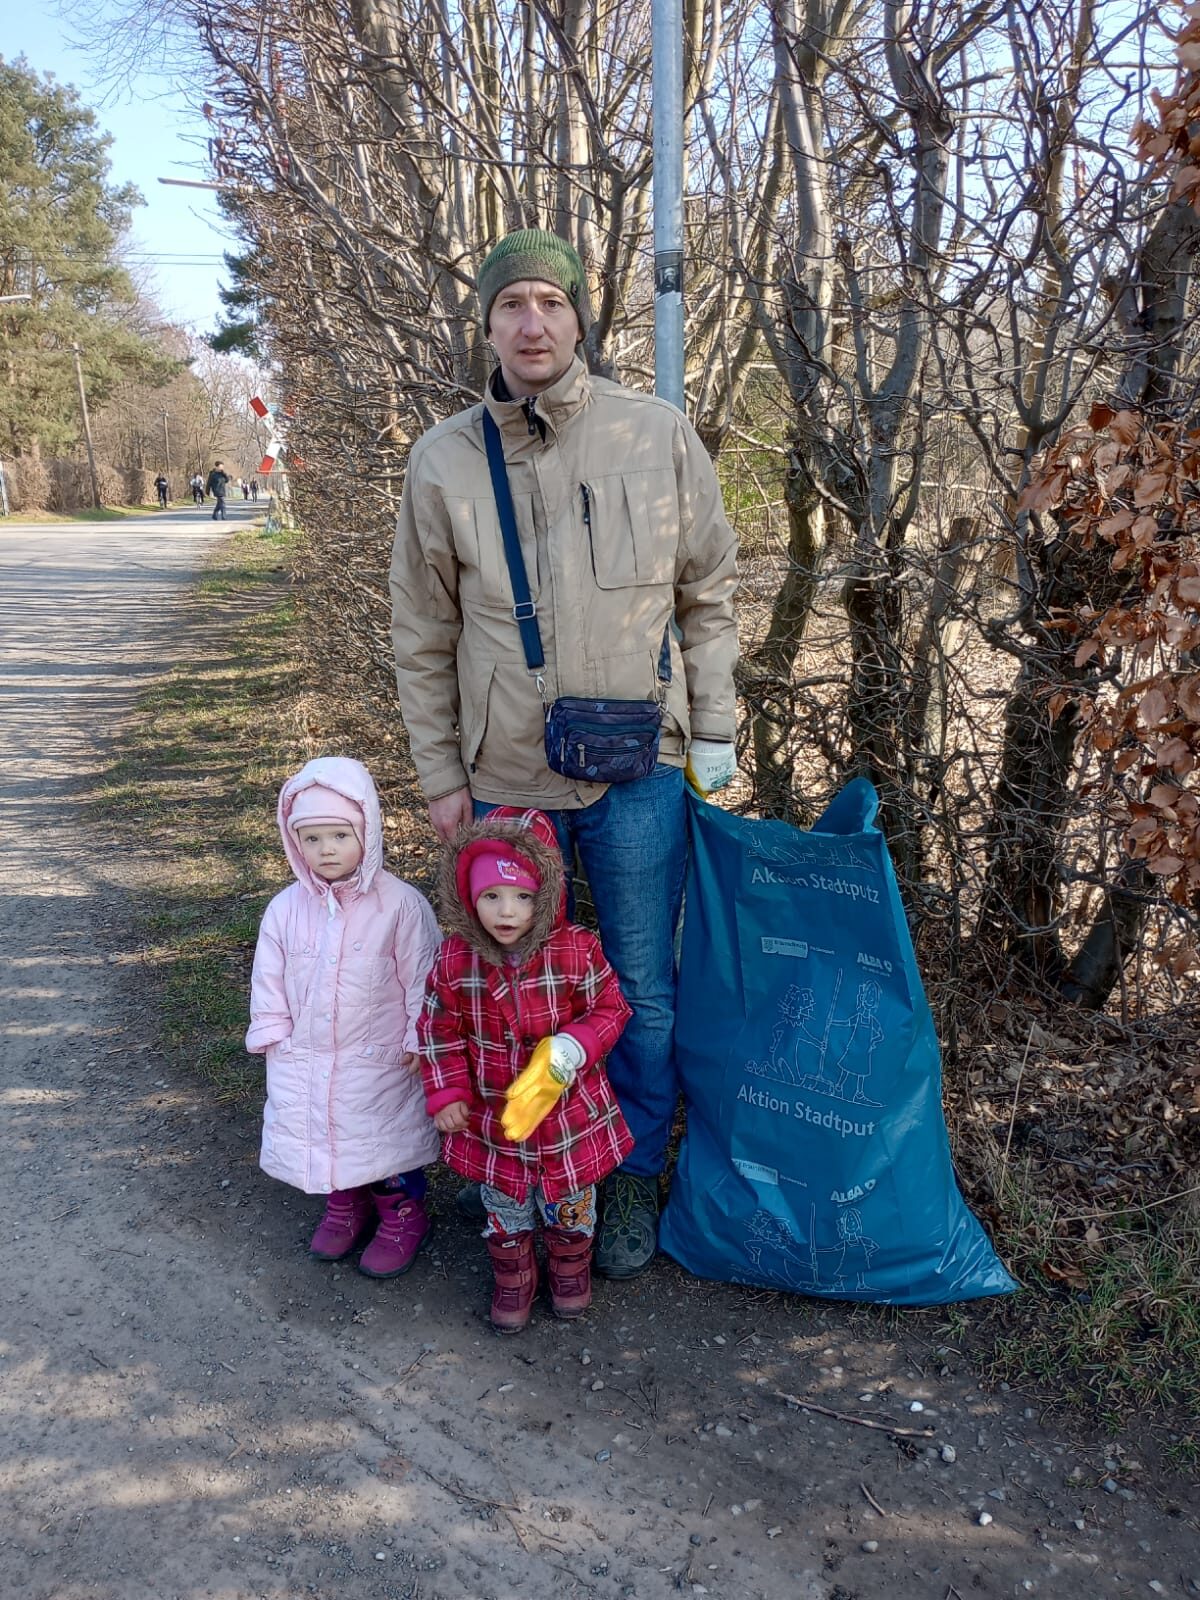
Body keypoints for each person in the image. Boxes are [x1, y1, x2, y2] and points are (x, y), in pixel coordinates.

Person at [390, 228, 739, 1279]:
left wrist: (715, 734)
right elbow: (422, 635)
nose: (531, 322)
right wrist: (443, 777)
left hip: (639, 779)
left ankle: (622, 1172)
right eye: (511, 306)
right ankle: (536, 1168)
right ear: (487, 325)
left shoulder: (656, 433)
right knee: (513, 988)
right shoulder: (444, 457)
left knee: (639, 985)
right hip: (505, 783)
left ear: (582, 316)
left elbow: (710, 597)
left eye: (550, 301)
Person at [418, 807, 632, 1331]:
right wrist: (446, 1095)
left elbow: (612, 1009)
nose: (506, 911)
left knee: (570, 1205)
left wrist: (575, 1045)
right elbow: (437, 1031)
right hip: (496, 1123)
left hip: (567, 1121)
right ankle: (514, 1275)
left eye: (522, 897)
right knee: (505, 1209)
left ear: (547, 895)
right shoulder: (456, 960)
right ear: (470, 898)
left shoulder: (577, 952)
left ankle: (569, 1267)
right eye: (491, 896)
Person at [245, 755, 442, 1278]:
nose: (325, 850)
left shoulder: (401, 905)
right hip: (308, 1049)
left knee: (382, 1135)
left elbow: (423, 975)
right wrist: (272, 1030)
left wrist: (418, 1037)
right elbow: (268, 974)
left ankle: (401, 1212)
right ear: (294, 844)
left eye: (338, 835)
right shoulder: (286, 908)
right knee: (328, 1126)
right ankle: (344, 1201)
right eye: (311, 839)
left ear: (367, 833)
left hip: (380, 1055)